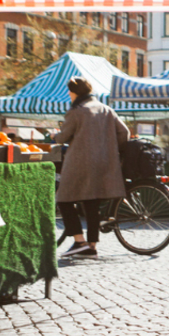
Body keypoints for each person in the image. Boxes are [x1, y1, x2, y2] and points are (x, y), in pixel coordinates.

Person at [54, 77, 130, 258]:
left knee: (63, 200)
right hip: (105, 164)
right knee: (91, 203)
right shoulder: (106, 109)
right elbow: (124, 133)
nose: (69, 95)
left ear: (74, 92)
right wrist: (111, 150)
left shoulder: (77, 111)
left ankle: (80, 241)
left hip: (80, 164)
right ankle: (92, 246)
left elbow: (62, 138)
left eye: (70, 92)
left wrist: (54, 135)